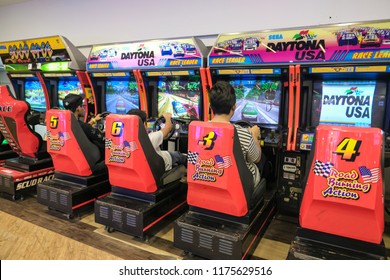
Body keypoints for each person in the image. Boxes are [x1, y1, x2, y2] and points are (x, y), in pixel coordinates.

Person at [208, 81, 267, 186]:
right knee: (262, 159)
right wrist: (254, 135)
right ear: (234, 107)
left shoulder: (197, 131)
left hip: (210, 181)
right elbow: (256, 158)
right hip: (237, 187)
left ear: (210, 107)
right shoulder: (243, 133)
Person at [63, 94, 105, 161]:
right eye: (82, 106)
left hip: (74, 159)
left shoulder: (64, 124)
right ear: (78, 108)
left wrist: (93, 121)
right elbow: (103, 139)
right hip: (90, 160)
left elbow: (81, 128)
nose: (84, 108)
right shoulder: (84, 127)